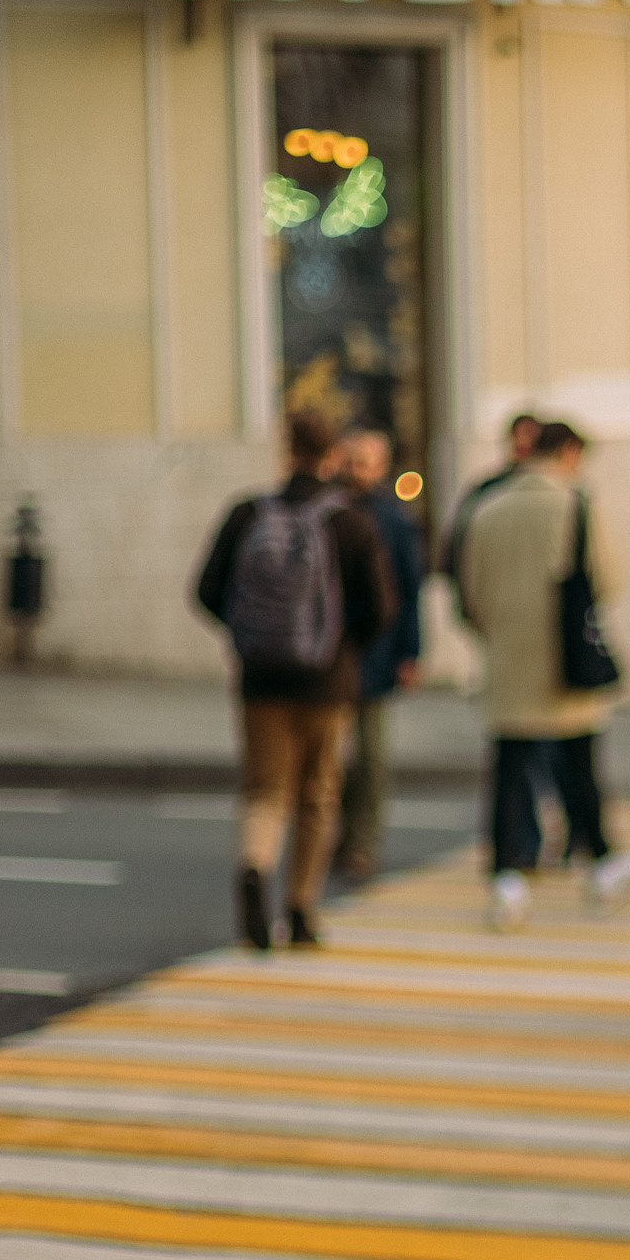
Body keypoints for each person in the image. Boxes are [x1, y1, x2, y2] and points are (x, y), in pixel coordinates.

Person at [195, 407, 392, 951]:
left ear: (286, 452)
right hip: (329, 684)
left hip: (259, 681)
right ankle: (301, 908)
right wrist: (340, 645)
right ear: (332, 456)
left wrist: (248, 637)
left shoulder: (246, 514)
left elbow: (206, 591)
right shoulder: (349, 520)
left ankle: (256, 864)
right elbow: (380, 607)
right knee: (317, 795)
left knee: (264, 791)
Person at [456, 418, 630, 926]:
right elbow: (607, 578)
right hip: (564, 660)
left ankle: (505, 875)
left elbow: (468, 594)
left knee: (509, 769)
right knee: (581, 763)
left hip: (507, 660)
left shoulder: (486, 508)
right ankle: (600, 858)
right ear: (566, 454)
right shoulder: (578, 505)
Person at [332, 428, 424, 884]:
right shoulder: (327, 513)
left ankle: (362, 842)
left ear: (383, 467)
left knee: (369, 756)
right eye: (353, 460)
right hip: (330, 655)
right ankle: (335, 836)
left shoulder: (393, 520)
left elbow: (410, 591)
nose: (359, 469)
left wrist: (410, 652)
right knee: (332, 757)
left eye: (367, 461)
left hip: (376, 652)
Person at [445, 409, 540, 604]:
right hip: (498, 597)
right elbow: (459, 541)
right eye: (517, 436)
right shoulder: (486, 490)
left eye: (530, 437)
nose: (523, 443)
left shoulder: (557, 492)